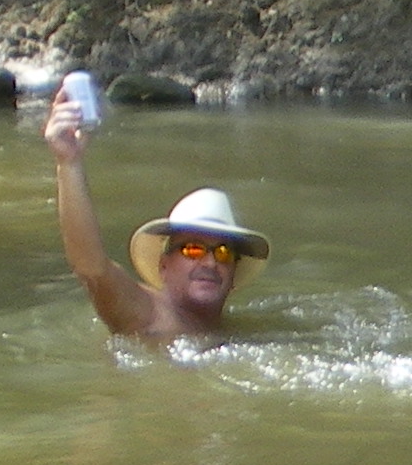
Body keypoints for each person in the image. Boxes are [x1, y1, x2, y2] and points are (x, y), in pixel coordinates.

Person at [46, 88, 268, 341]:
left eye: (223, 252)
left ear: (234, 273)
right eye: (193, 249)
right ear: (164, 265)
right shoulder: (146, 313)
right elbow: (91, 268)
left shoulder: (243, 329)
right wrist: (69, 163)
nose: (210, 262)